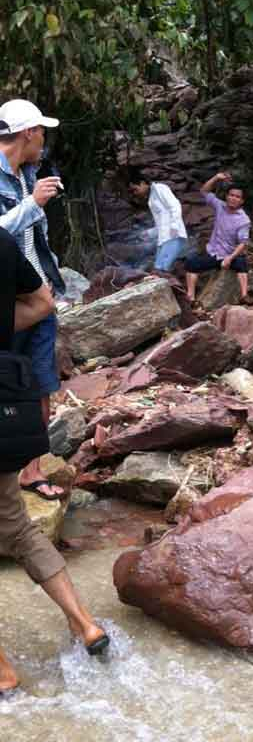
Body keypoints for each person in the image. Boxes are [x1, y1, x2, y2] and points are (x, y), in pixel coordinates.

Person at [0, 226, 109, 693]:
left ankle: (3, 671)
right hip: (4, 411)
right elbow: (43, 302)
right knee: (18, 529)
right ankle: (85, 624)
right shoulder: (2, 243)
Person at [0, 99, 67, 501]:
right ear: (29, 133)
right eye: (42, 131)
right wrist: (33, 204)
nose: (44, 139)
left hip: (38, 294)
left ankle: (32, 470)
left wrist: (51, 278)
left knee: (40, 383)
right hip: (7, 298)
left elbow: (35, 240)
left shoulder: (29, 174)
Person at [184, 171, 253, 305]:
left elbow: (243, 243)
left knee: (242, 264)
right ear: (226, 196)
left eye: (237, 197)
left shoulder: (243, 220)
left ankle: (244, 295)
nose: (233, 198)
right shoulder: (220, 206)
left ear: (242, 201)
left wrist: (230, 257)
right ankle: (191, 297)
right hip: (214, 253)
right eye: (231, 195)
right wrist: (216, 177)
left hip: (229, 255)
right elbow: (204, 191)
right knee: (190, 263)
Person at [127, 172, 189, 272]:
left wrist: (174, 226)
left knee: (161, 269)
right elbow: (161, 222)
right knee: (158, 268)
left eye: (135, 189)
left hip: (173, 235)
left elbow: (175, 205)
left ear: (142, 183)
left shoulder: (160, 188)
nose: (135, 193)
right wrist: (150, 233)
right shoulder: (151, 198)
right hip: (164, 239)